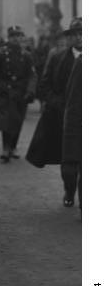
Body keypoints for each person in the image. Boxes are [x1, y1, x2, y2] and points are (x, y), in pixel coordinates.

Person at [25, 17, 82, 205]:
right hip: (60, 117)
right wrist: (57, 102)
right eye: (76, 34)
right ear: (69, 38)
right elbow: (44, 85)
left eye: (83, 33)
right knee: (67, 162)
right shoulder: (57, 57)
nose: (80, 38)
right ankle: (69, 190)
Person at [0, 25, 37, 163]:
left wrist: (30, 91)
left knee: (17, 121)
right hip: (5, 92)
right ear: (9, 38)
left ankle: (13, 147)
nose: (16, 39)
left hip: (21, 93)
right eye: (13, 36)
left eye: (19, 36)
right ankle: (6, 148)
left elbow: (32, 75)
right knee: (5, 122)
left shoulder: (26, 55)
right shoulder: (1, 54)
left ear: (22, 38)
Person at [62, 52, 81, 209]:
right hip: (77, 120)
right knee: (70, 167)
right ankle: (69, 191)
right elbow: (72, 93)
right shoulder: (81, 62)